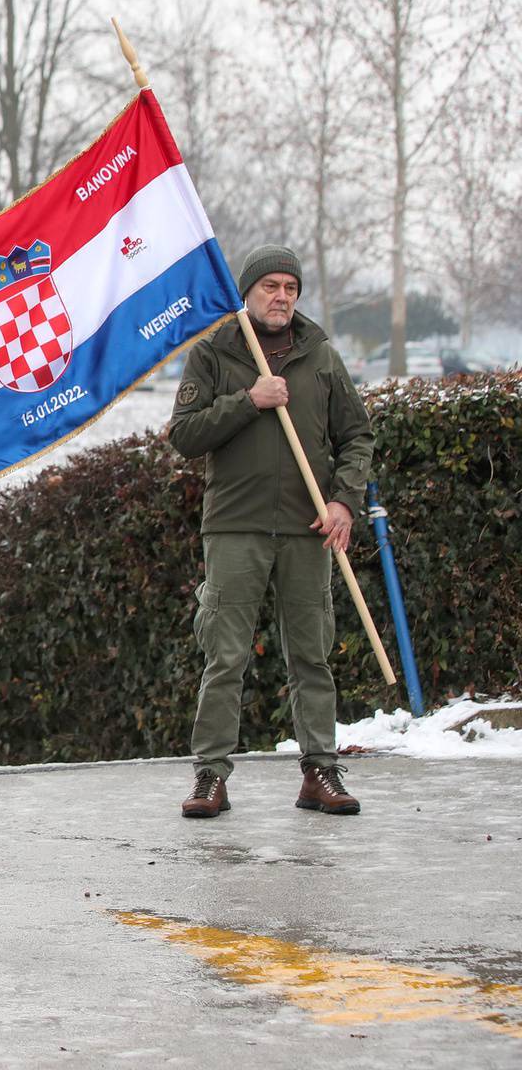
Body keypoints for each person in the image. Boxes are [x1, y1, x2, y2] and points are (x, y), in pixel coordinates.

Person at [169, 244, 374, 819]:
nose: (280, 297)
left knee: (311, 655)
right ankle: (211, 776)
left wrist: (343, 501)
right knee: (225, 656)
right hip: (235, 526)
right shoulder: (215, 353)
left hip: (310, 526)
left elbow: (356, 437)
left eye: (290, 288)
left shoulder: (321, 355)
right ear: (247, 292)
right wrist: (248, 401)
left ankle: (320, 773)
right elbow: (184, 435)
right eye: (269, 287)